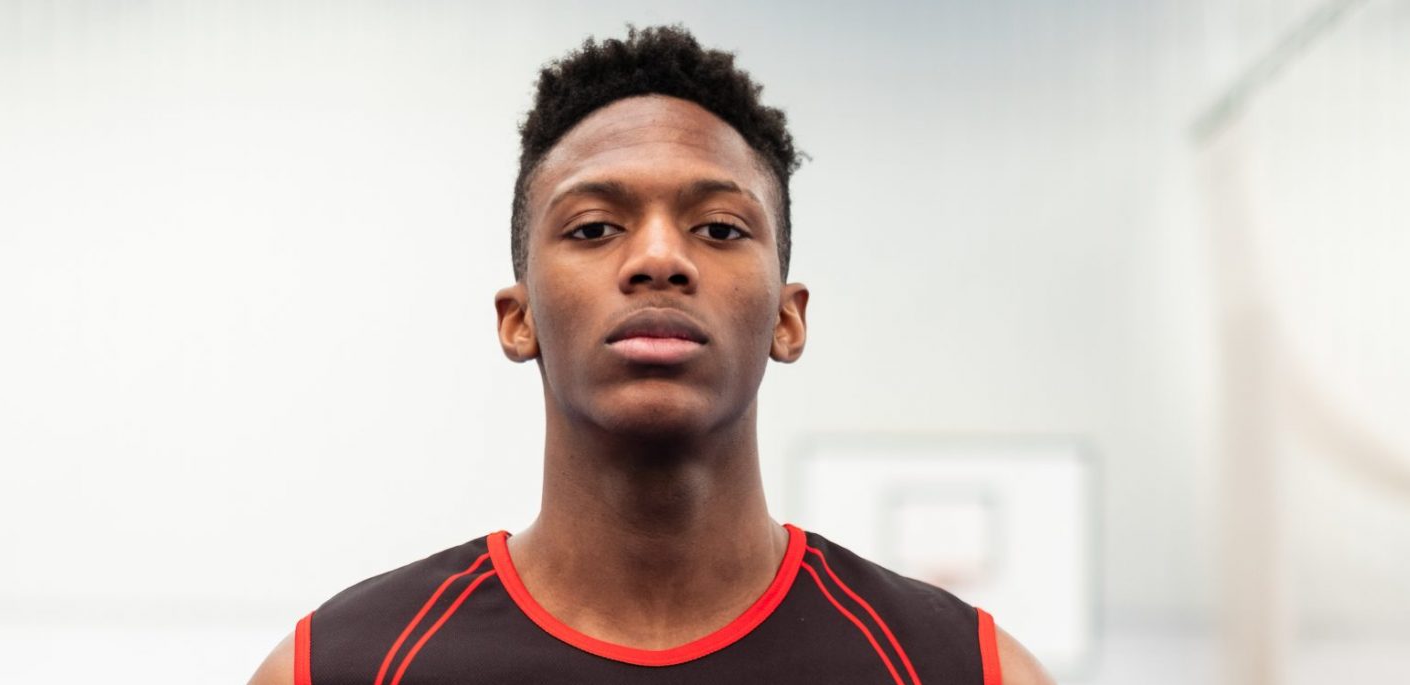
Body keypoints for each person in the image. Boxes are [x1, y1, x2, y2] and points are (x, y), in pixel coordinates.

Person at [249, 24, 1053, 685]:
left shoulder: (964, 669)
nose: (660, 258)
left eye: (720, 228)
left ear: (787, 316)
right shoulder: (341, 667)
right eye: (595, 228)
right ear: (518, 318)